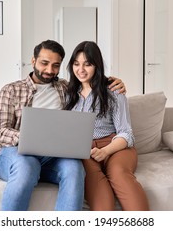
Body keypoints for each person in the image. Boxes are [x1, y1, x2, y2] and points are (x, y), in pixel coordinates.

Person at [0, 39, 125, 211]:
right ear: (33, 61)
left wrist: (111, 82)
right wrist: (29, 136)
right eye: (44, 63)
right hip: (16, 153)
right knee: (27, 166)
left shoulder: (66, 88)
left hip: (54, 156)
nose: (50, 70)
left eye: (56, 65)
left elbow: (90, 82)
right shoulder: (11, 90)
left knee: (74, 169)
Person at [64, 41, 149, 211]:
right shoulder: (68, 93)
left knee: (118, 174)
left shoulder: (113, 90)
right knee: (95, 185)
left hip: (116, 147)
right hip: (85, 150)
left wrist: (105, 151)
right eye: (76, 64)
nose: (81, 69)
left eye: (87, 64)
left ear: (97, 65)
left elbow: (126, 133)